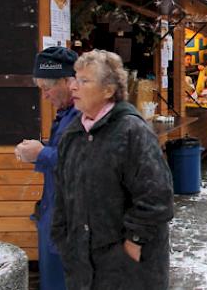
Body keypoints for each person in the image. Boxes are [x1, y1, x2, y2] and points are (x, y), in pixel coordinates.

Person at [52, 50, 174, 289]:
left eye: (84, 81)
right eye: (74, 78)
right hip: (83, 266)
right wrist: (63, 238)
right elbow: (62, 193)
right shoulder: (73, 134)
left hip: (127, 269)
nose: (74, 87)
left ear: (108, 90)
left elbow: (157, 197)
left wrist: (132, 245)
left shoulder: (131, 132)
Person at [14, 47, 79, 290]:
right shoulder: (66, 113)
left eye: (47, 88)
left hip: (70, 220)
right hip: (56, 213)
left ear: (66, 81)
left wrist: (42, 153)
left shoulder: (83, 114)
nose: (44, 96)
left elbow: (86, 162)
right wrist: (40, 149)